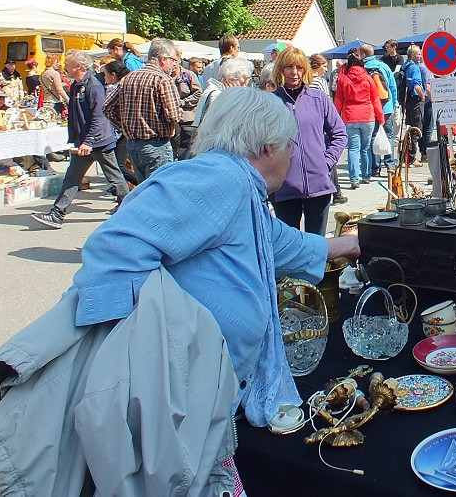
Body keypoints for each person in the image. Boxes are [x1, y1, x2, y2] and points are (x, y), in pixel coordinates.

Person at [70, 88, 360, 482]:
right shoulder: (219, 178)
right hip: (173, 391)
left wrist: (354, 244)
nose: (292, 158)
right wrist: (155, 341)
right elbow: (112, 248)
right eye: (289, 146)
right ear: (267, 147)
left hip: (203, 387)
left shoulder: (237, 185)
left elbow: (275, 241)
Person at [32, 51, 129, 228]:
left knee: (114, 177)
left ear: (78, 66)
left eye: (67, 64)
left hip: (98, 142)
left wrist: (89, 141)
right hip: (86, 142)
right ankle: (57, 213)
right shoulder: (78, 85)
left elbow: (99, 116)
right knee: (72, 178)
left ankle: (131, 209)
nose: (64, 67)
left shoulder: (93, 85)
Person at [271, 47, 347, 234]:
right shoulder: (270, 102)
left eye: (299, 67)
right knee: (289, 247)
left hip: (318, 186)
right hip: (284, 188)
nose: (294, 72)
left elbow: (339, 134)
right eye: (289, 67)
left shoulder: (318, 98)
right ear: (281, 69)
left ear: (305, 69)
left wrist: (326, 162)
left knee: (317, 244)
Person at [103, 38, 181, 181]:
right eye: (173, 60)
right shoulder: (163, 79)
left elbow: (107, 108)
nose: (174, 64)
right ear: (163, 59)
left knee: (145, 190)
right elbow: (174, 115)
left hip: (134, 145)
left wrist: (125, 128)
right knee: (159, 192)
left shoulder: (129, 78)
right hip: (156, 144)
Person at [334, 50, 384, 189]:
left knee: (353, 148)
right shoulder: (368, 78)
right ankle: (366, 176)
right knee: (365, 148)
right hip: (367, 116)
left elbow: (338, 100)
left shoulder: (343, 79)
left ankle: (354, 179)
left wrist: (334, 117)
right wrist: (380, 117)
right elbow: (375, 99)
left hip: (350, 116)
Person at [309, 53, 348, 204]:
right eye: (324, 66)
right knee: (329, 159)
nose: (325, 69)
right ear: (316, 66)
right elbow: (326, 103)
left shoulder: (306, 81)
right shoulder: (319, 81)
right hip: (322, 125)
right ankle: (336, 192)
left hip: (313, 126)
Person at [359, 43, 398, 175]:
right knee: (389, 135)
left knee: (372, 136)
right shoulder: (384, 66)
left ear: (363, 55)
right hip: (385, 106)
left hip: (369, 107)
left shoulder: (361, 68)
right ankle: (390, 165)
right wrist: (392, 104)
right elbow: (393, 87)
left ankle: (375, 168)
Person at [100, 59, 137, 187]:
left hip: (124, 132)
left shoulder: (119, 87)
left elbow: (107, 108)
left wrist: (120, 126)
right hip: (131, 130)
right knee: (124, 164)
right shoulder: (131, 83)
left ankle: (143, 185)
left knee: (120, 165)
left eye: (106, 74)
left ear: (113, 74)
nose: (104, 78)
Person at [194, 56, 253, 128]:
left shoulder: (218, 91)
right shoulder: (217, 94)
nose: (244, 87)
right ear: (230, 79)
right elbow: (220, 124)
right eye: (242, 83)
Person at [402, 45, 427, 165]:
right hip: (416, 99)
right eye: (418, 54)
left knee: (410, 128)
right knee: (416, 129)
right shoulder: (415, 68)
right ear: (412, 55)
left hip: (407, 101)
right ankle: (412, 158)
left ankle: (406, 155)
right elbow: (417, 86)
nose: (420, 56)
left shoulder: (405, 65)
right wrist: (422, 96)